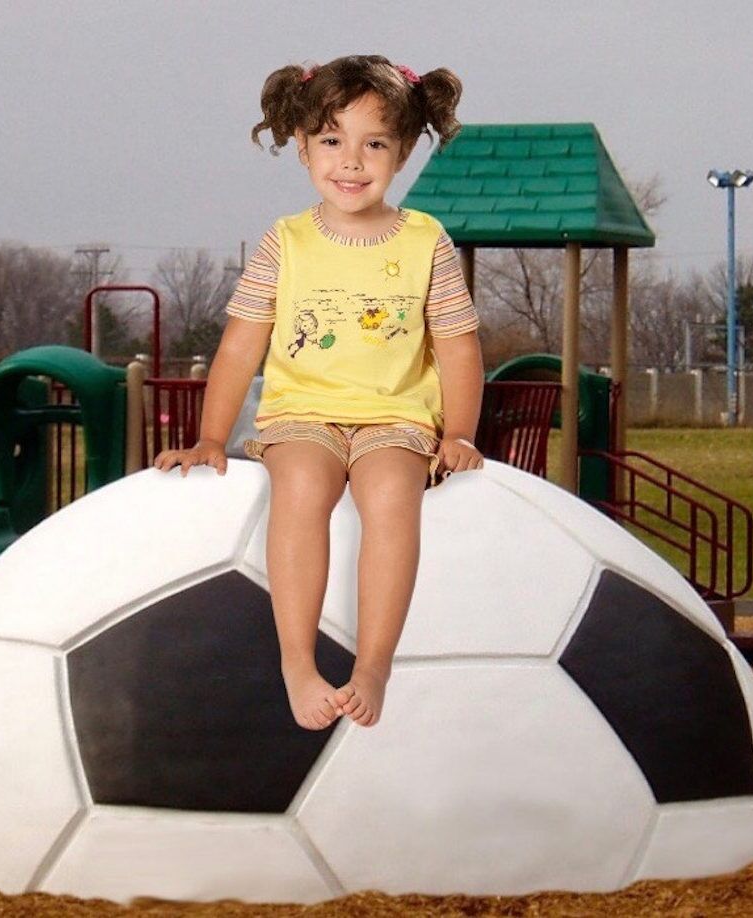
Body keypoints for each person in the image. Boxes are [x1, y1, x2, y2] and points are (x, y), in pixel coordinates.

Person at [156, 54, 484, 730]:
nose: (351, 161)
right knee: (301, 488)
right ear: (302, 147)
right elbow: (241, 345)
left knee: (391, 496)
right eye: (332, 140)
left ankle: (373, 664)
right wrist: (211, 437)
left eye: (374, 144)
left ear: (404, 152)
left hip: (394, 417)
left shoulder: (427, 242)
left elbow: (456, 347)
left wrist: (457, 432)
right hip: (301, 415)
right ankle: (297, 661)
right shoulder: (286, 242)